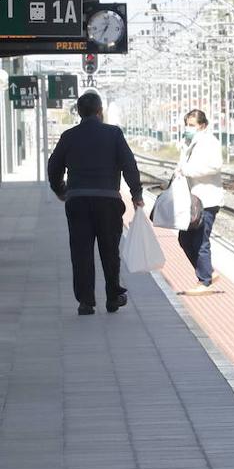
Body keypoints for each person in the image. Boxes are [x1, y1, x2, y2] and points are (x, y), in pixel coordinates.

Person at [47, 91, 144, 315]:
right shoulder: (113, 133)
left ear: (79, 112)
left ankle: (86, 302)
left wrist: (61, 190)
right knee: (110, 250)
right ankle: (113, 297)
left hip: (78, 200)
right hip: (108, 202)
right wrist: (136, 193)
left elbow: (54, 167)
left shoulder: (69, 136)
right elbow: (129, 164)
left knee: (81, 252)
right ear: (100, 112)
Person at [176, 109, 224, 295]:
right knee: (184, 238)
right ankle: (208, 272)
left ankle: (205, 282)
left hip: (207, 199)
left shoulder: (209, 142)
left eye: (192, 125)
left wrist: (187, 170)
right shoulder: (189, 142)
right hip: (192, 200)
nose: (188, 128)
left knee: (200, 240)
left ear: (202, 126)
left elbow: (215, 165)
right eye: (187, 125)